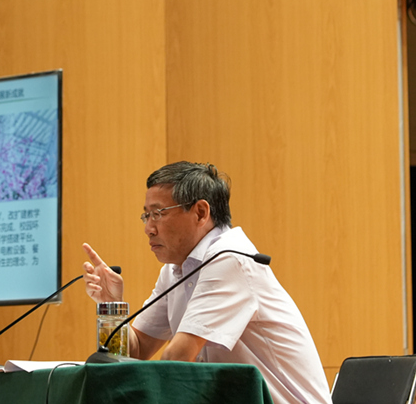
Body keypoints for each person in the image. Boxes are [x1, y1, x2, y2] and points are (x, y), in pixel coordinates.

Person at [82, 161, 332, 404]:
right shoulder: (175, 269)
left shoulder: (231, 258)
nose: (149, 228)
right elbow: (136, 351)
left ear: (201, 212)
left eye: (158, 214)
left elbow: (177, 358)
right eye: (146, 216)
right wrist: (111, 307)